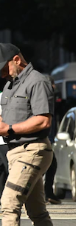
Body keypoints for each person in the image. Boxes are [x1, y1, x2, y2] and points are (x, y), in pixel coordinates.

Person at [0, 43, 55, 226]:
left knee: (9, 201)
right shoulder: (10, 85)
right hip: (16, 152)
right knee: (37, 211)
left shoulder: (37, 81)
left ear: (16, 60)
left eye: (4, 68)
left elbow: (43, 121)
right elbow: (6, 119)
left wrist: (10, 128)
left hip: (32, 150)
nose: (2, 74)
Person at [44, 75, 62, 204]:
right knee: (48, 165)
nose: (54, 86)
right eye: (52, 84)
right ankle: (46, 193)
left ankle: (47, 193)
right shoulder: (44, 97)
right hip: (43, 137)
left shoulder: (50, 98)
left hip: (47, 137)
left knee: (50, 165)